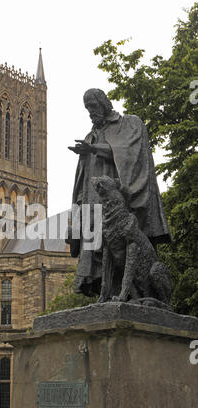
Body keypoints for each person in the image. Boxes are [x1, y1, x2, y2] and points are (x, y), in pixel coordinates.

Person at [67, 88, 171, 297]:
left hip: (121, 203)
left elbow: (130, 155)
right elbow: (83, 177)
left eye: (93, 106)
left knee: (127, 245)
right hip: (94, 201)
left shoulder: (129, 124)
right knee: (101, 249)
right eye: (87, 108)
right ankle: (108, 293)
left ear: (104, 103)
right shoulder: (91, 134)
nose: (90, 111)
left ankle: (138, 294)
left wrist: (95, 149)